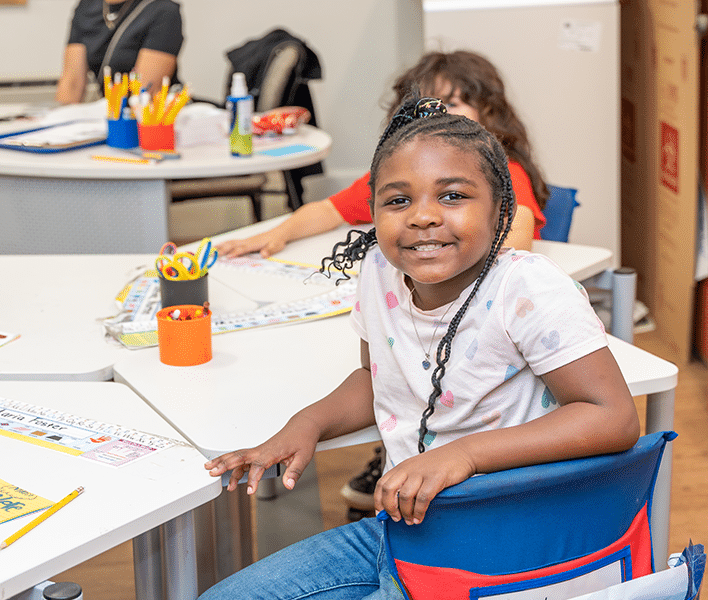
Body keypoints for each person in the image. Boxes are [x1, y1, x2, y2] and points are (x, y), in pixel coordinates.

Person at [199, 96, 639, 600]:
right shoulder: (380, 271)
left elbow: (613, 416)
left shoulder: (529, 289)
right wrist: (309, 424)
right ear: (373, 213)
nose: (423, 217)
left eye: (452, 196)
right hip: (404, 532)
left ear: (501, 209)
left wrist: (464, 456)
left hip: (505, 546)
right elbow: (377, 378)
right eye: (398, 200)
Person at [217, 50, 548, 259]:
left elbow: (517, 233)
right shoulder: (400, 177)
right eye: (425, 105)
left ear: (487, 112)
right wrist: (278, 234)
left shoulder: (501, 170)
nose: (439, 114)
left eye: (454, 103)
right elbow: (329, 210)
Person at [55, 0, 183, 104]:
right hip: (107, 112)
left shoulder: (163, 10)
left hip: (146, 116)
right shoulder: (86, 7)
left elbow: (142, 91)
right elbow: (72, 82)